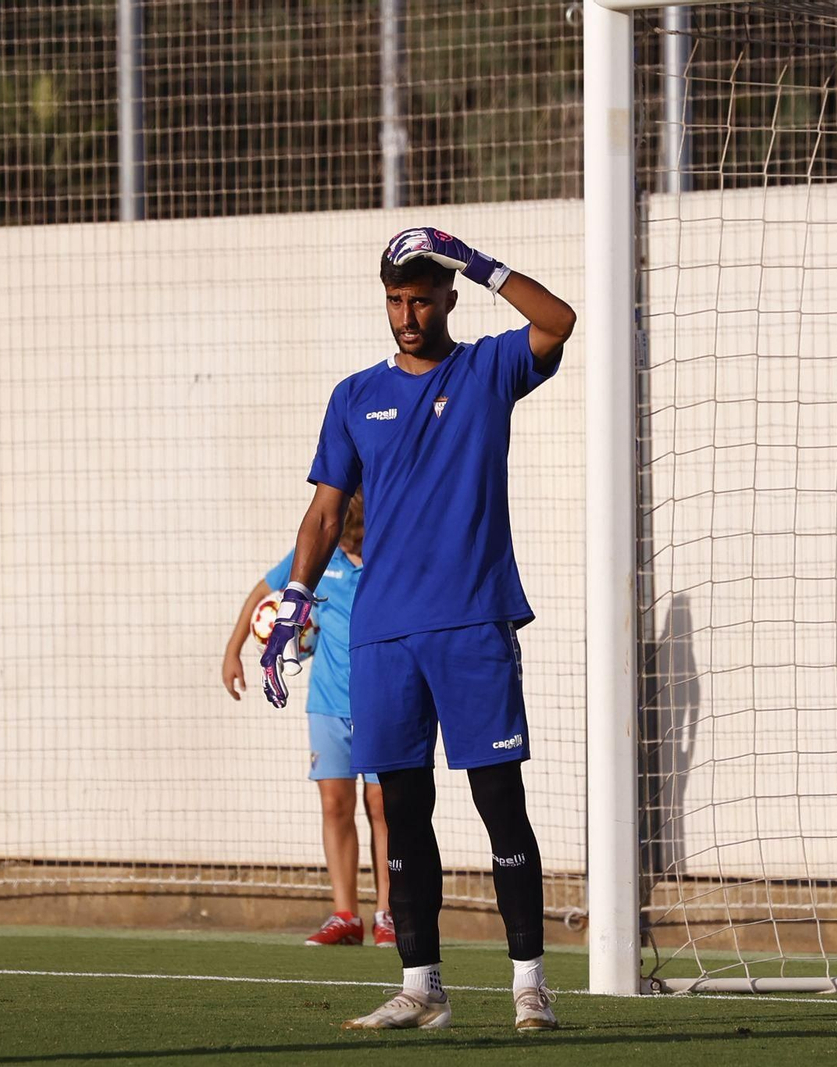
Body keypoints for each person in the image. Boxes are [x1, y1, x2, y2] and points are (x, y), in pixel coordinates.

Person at [258, 227, 576, 1031]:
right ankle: (421, 984)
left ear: (448, 300)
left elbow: (559, 320)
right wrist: (295, 596)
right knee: (402, 808)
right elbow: (327, 508)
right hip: (381, 635)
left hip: (471, 621)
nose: (407, 315)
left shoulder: (486, 369)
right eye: (396, 301)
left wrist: (478, 259)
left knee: (500, 801)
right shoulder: (353, 394)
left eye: (422, 299)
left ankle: (530, 981)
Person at [222, 490, 393, 948]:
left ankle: (389, 915)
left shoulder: (389, 550)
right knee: (336, 806)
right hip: (327, 704)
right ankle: (345, 915)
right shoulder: (323, 553)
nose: (351, 545)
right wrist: (233, 651)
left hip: (383, 702)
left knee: (384, 808)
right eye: (348, 538)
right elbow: (264, 593)